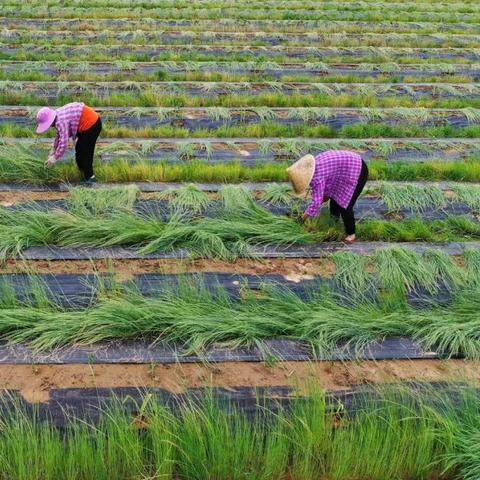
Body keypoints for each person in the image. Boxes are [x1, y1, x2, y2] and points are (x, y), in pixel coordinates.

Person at [287, 150, 368, 243]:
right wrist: (322, 197)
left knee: (346, 205)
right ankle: (333, 225)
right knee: (335, 200)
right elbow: (325, 195)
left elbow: (316, 204)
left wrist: (302, 219)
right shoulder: (314, 164)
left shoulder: (317, 178)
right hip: (345, 171)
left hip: (358, 170)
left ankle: (351, 234)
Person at [36, 103, 102, 184]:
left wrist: (54, 158)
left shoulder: (60, 121)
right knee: (79, 150)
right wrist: (53, 150)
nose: (50, 126)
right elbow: (59, 136)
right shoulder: (58, 115)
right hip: (88, 124)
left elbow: (63, 143)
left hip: (91, 124)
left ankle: (90, 178)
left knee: (85, 153)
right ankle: (82, 174)